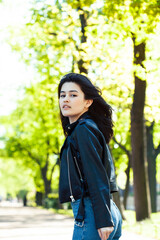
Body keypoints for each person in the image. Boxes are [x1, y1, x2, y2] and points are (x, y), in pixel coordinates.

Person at [58, 73, 122, 240]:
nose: (65, 99)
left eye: (73, 95)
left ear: (88, 101)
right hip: (106, 210)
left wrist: (102, 220)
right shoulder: (86, 128)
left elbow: (96, 175)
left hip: (93, 214)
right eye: (62, 95)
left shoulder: (84, 129)